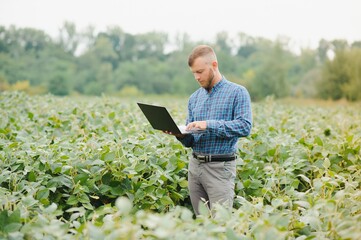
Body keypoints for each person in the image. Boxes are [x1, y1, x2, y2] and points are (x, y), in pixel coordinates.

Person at [165, 44, 252, 215]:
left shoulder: (237, 93)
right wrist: (179, 134)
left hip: (220, 168)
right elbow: (191, 141)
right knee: (202, 223)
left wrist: (209, 124)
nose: (196, 77)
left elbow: (244, 126)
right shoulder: (194, 98)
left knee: (219, 223)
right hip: (195, 166)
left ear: (214, 65)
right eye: (193, 73)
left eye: (200, 71)